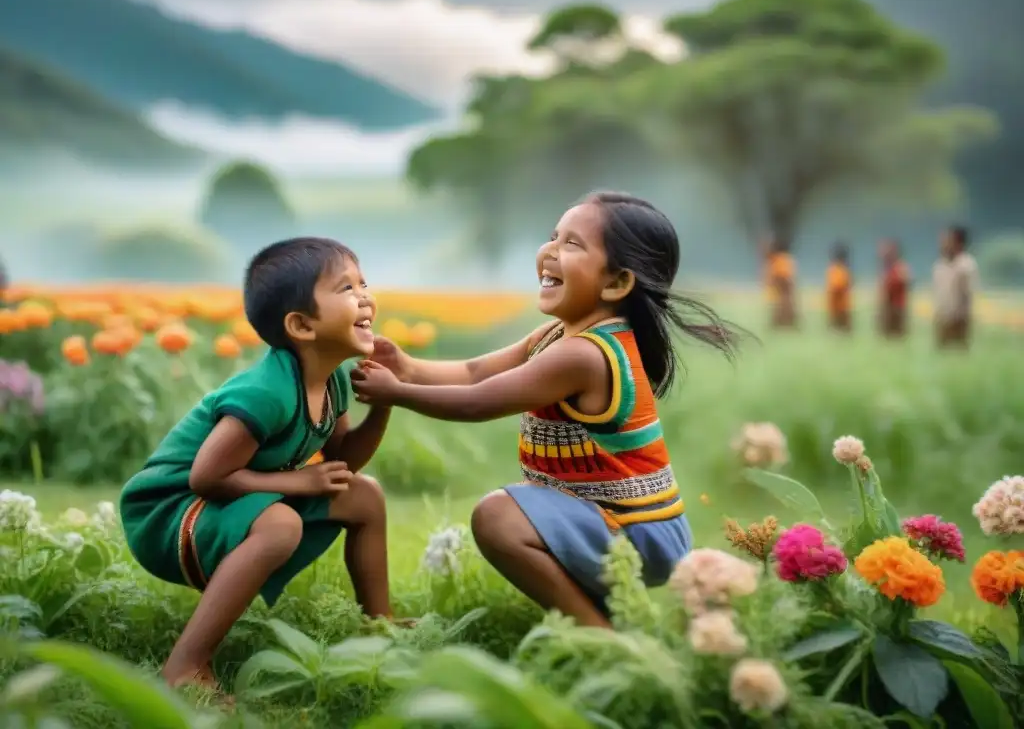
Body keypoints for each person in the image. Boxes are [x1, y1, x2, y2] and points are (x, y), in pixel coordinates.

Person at [352, 192, 743, 628]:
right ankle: (601, 617)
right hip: (613, 520)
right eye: (553, 236)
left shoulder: (583, 356)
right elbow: (475, 370)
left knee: (498, 516)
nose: (550, 251)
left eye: (572, 244)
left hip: (636, 530)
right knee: (512, 511)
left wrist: (397, 392)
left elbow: (479, 401)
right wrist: (407, 367)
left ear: (615, 283)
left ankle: (596, 635)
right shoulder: (557, 336)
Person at [119, 237, 399, 693]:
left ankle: (381, 624)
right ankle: (185, 665)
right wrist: (299, 481)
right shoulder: (264, 394)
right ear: (302, 326)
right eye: (346, 288)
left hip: (239, 493)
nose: (365, 295)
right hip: (168, 511)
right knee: (280, 525)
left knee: (364, 495)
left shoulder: (333, 383)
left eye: (363, 282)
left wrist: (384, 405)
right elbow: (206, 477)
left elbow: (341, 462)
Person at [932, 225, 979, 349]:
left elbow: (968, 293)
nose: (943, 243)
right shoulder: (940, 265)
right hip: (942, 317)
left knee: (958, 351)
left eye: (947, 240)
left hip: (959, 318)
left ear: (958, 242)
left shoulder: (966, 265)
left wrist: (961, 315)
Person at [878, 240, 911, 339]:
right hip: (887, 308)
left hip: (897, 307)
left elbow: (907, 282)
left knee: (897, 336)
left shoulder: (901, 267)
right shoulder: (885, 268)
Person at [765, 238, 798, 329]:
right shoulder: (786, 259)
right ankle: (785, 323)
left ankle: (782, 323)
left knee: (782, 306)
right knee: (784, 305)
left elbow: (782, 277)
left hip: (783, 290)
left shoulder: (780, 260)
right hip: (784, 290)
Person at [825, 243, 852, 333]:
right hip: (838, 306)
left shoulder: (838, 269)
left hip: (840, 306)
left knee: (840, 329)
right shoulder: (841, 269)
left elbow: (837, 286)